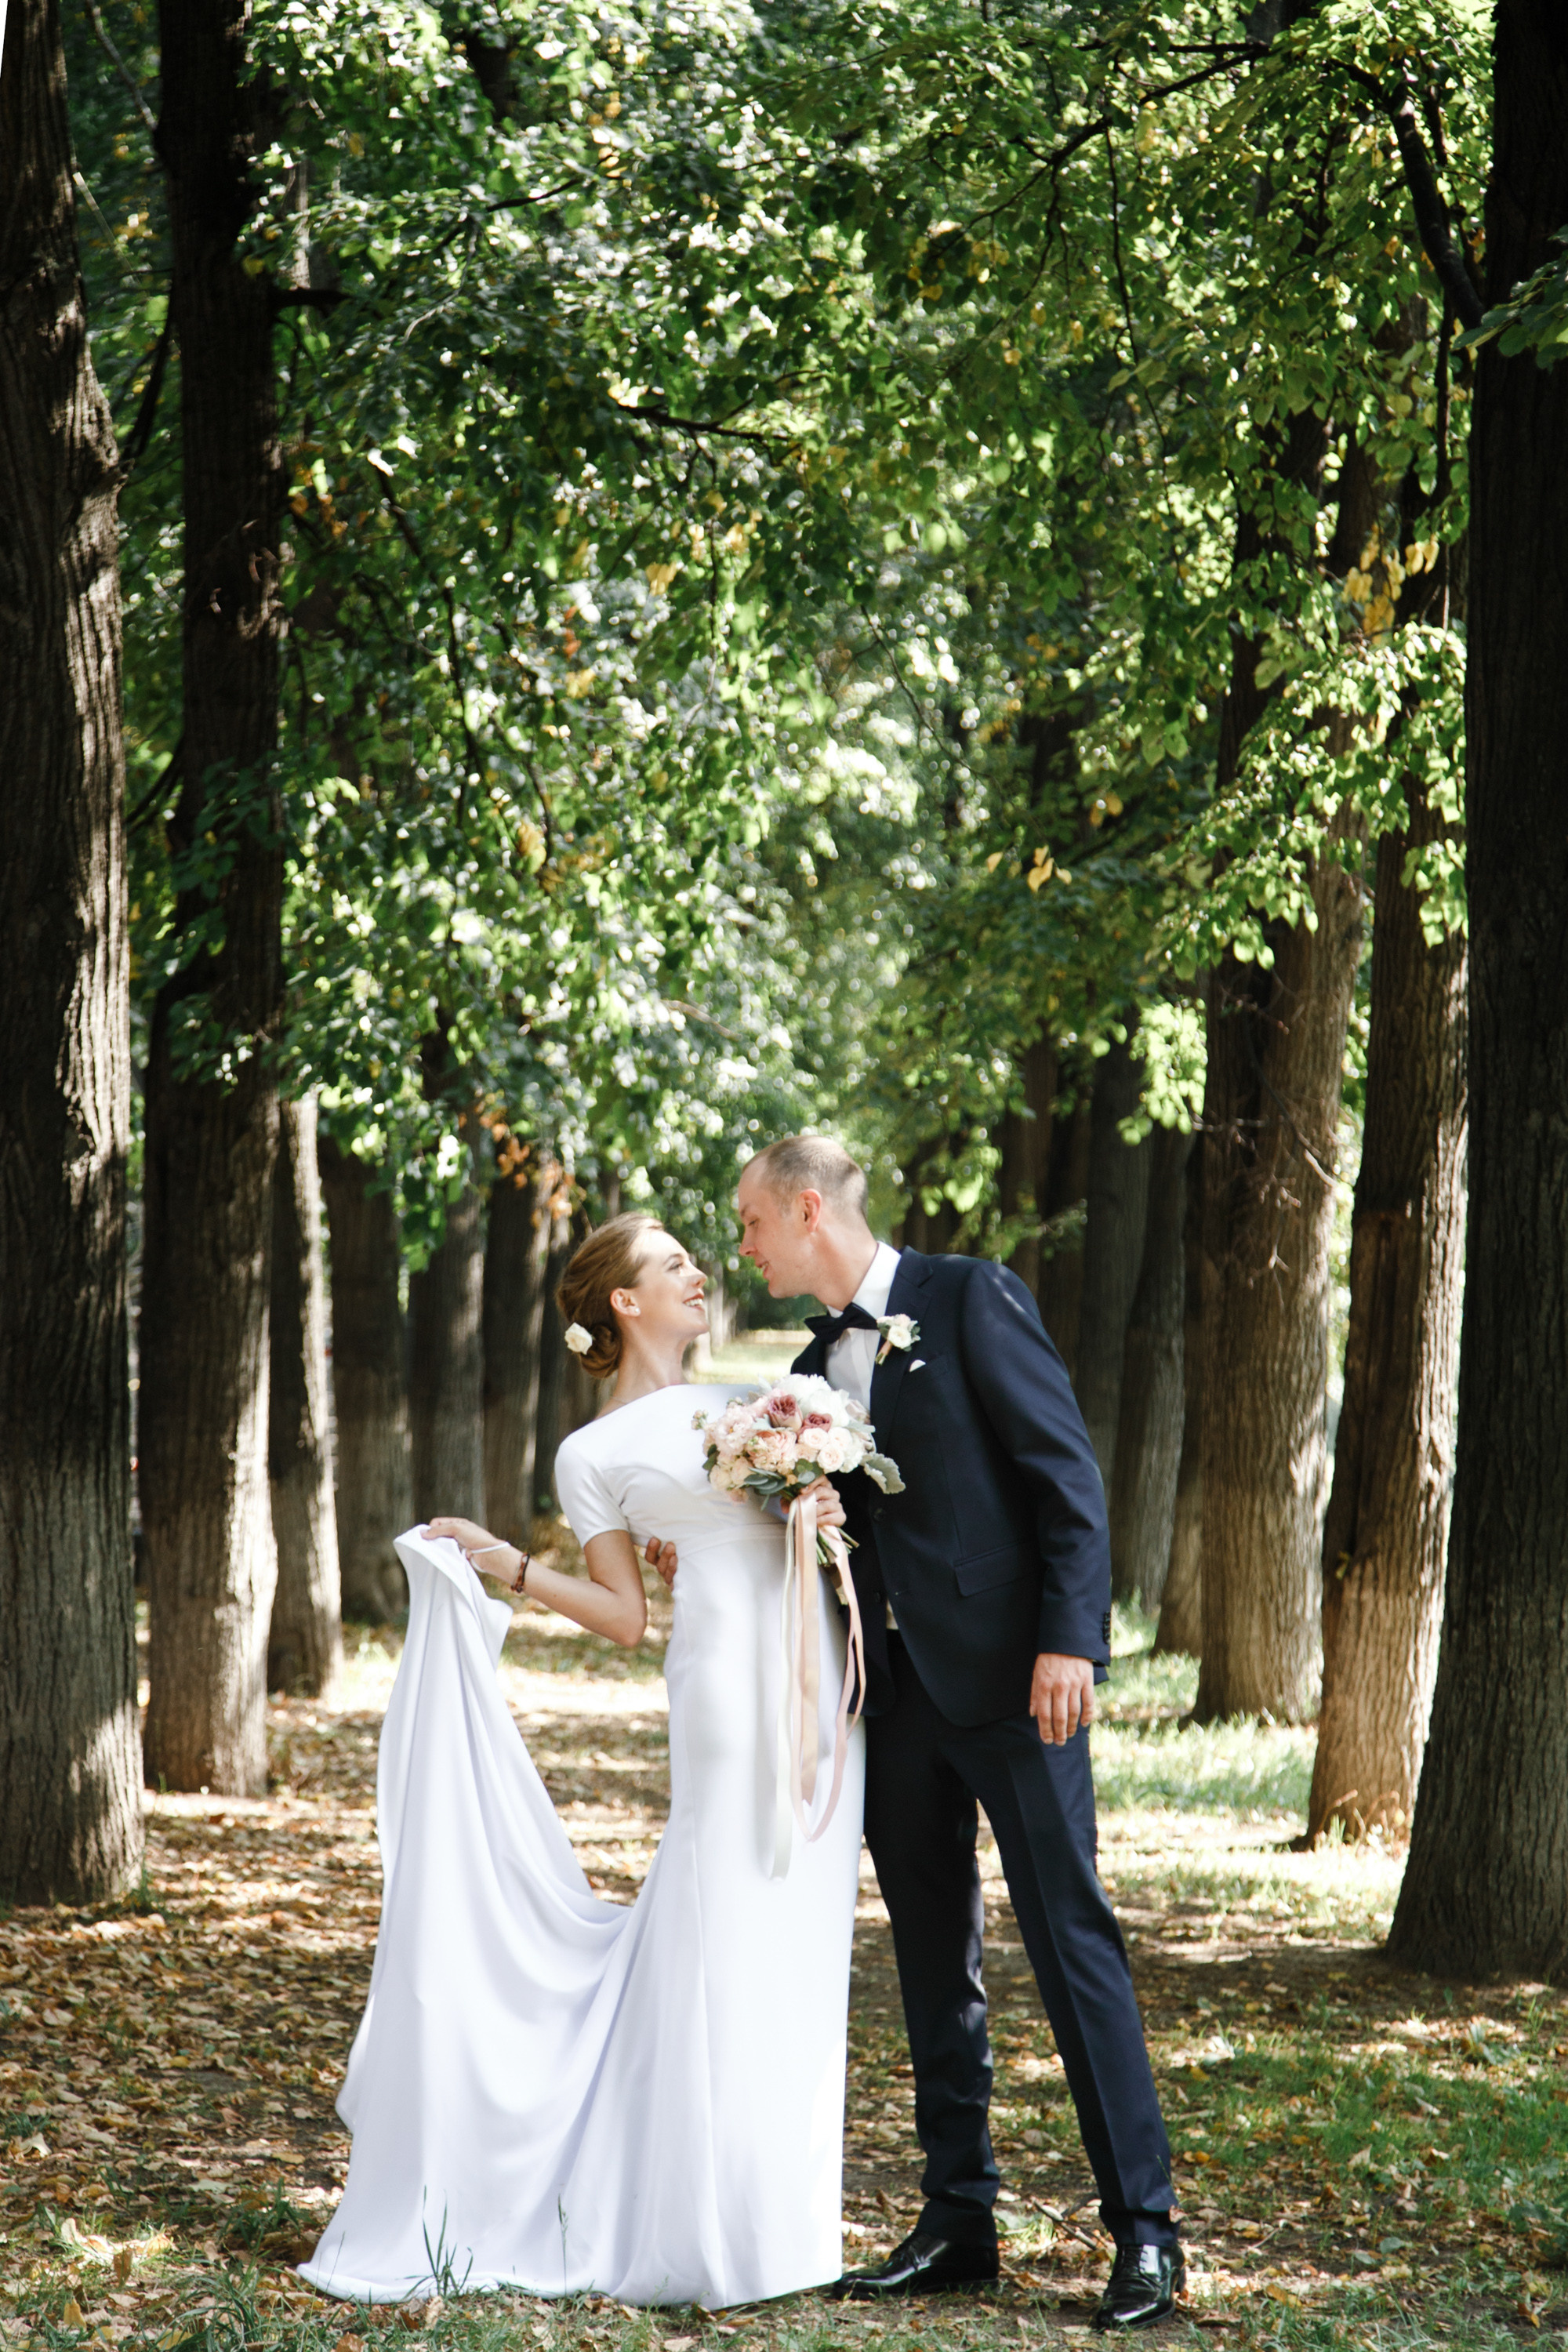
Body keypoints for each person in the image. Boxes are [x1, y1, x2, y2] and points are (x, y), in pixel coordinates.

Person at [299, 1213, 864, 2310]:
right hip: (724, 1682)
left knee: (803, 1927)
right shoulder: (591, 1454)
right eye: (673, 1264)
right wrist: (508, 1563)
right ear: (624, 1301)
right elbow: (623, 1614)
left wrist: (823, 1506)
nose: (699, 1273)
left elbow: (820, 1524)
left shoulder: (760, 1401)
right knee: (723, 1921)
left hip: (817, 1664)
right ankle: (701, 2227)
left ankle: (782, 2220)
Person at [731, 1134, 1182, 2332]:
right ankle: (958, 2221)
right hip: (896, 1705)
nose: (745, 1245)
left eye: (752, 1223)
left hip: (1017, 1687)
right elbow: (855, 1535)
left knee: (1072, 1943)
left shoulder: (970, 1296)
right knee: (936, 1963)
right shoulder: (808, 1371)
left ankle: (1145, 2232)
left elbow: (1065, 1477)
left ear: (808, 1210)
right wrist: (796, 1519)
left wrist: (1070, 1642)